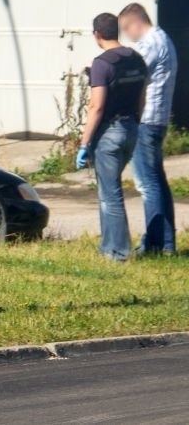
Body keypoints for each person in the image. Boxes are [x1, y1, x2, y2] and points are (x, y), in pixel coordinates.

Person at [76, 13, 148, 262]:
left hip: (110, 133)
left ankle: (118, 253)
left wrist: (84, 143)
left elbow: (96, 106)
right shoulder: (137, 58)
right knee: (109, 191)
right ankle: (108, 246)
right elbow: (142, 95)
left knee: (110, 194)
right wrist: (135, 122)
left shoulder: (102, 63)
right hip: (131, 129)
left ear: (97, 34)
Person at [118, 3, 178, 255]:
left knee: (147, 185)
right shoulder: (163, 39)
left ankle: (155, 244)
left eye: (125, 29)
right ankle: (164, 242)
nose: (126, 35)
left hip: (146, 120)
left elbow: (133, 72)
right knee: (157, 183)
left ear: (135, 23)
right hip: (157, 119)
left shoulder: (151, 43)